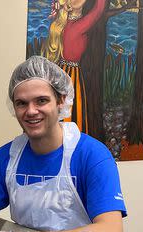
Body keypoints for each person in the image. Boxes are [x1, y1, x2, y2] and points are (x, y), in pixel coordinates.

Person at [0, 56, 127, 232]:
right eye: (21, 103)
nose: (31, 111)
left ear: (61, 100)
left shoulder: (91, 155)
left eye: (41, 101)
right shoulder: (7, 157)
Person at [41, 0, 107, 133]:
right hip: (71, 75)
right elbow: (98, 10)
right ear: (71, 4)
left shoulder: (64, 24)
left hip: (63, 71)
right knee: (72, 112)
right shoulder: (78, 26)